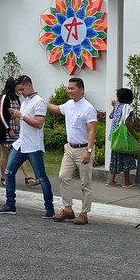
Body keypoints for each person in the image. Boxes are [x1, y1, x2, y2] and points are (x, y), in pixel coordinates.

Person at [0, 75, 55, 218]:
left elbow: (39, 123)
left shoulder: (39, 102)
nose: (21, 92)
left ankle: (49, 208)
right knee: (9, 172)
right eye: (19, 90)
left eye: (22, 89)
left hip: (33, 145)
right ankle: (10, 204)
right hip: (22, 143)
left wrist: (20, 116)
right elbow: (24, 124)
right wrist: (16, 118)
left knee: (41, 177)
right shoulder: (26, 101)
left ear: (29, 86)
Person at [47, 76, 98, 225]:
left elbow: (92, 131)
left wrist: (89, 150)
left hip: (83, 149)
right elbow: (57, 108)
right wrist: (41, 103)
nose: (70, 91)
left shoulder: (88, 108)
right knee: (63, 176)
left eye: (72, 88)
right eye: (68, 88)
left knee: (85, 183)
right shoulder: (69, 104)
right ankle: (67, 209)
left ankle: (84, 213)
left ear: (81, 90)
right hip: (69, 148)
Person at [0, 77, 34, 187]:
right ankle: (4, 176)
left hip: (17, 129)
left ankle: (28, 177)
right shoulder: (4, 97)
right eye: (17, 86)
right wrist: (8, 129)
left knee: (20, 152)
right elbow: (1, 114)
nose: (19, 88)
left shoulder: (16, 98)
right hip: (6, 129)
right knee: (6, 153)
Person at [106, 87, 137, 188]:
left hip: (115, 136)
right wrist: (134, 135)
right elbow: (127, 122)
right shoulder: (128, 107)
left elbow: (111, 116)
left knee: (115, 158)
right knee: (126, 157)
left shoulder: (117, 105)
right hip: (124, 136)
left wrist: (114, 106)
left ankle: (111, 180)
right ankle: (127, 182)